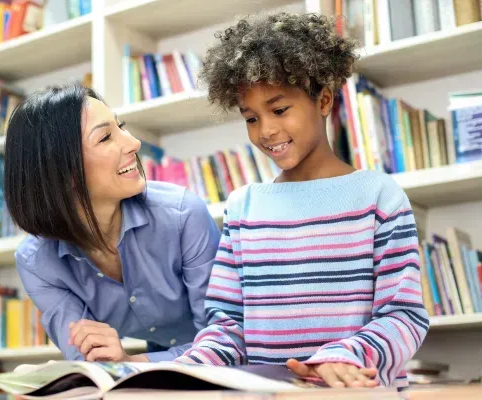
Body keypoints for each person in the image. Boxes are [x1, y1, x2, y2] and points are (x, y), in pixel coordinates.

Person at [175, 12, 429, 391]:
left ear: (323, 100)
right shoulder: (243, 207)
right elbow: (228, 325)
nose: (267, 131)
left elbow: (404, 315)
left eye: (279, 110)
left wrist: (346, 354)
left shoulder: (379, 197)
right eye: (251, 118)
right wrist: (188, 366)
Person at [4, 83, 221, 362]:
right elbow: (88, 359)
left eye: (121, 126)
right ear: (62, 171)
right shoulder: (37, 262)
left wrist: (134, 363)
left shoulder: (182, 214)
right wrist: (111, 361)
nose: (133, 143)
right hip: (165, 368)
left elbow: (224, 340)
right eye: (106, 137)